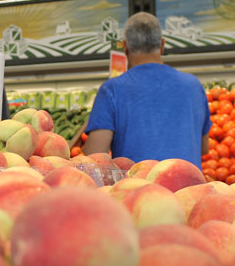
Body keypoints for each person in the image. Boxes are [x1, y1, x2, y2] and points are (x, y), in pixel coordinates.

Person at [83, 11, 211, 169]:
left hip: (136, 190)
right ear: (162, 45)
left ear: (125, 47)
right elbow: (203, 147)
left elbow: (95, 156)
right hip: (189, 190)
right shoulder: (193, 85)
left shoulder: (111, 90)